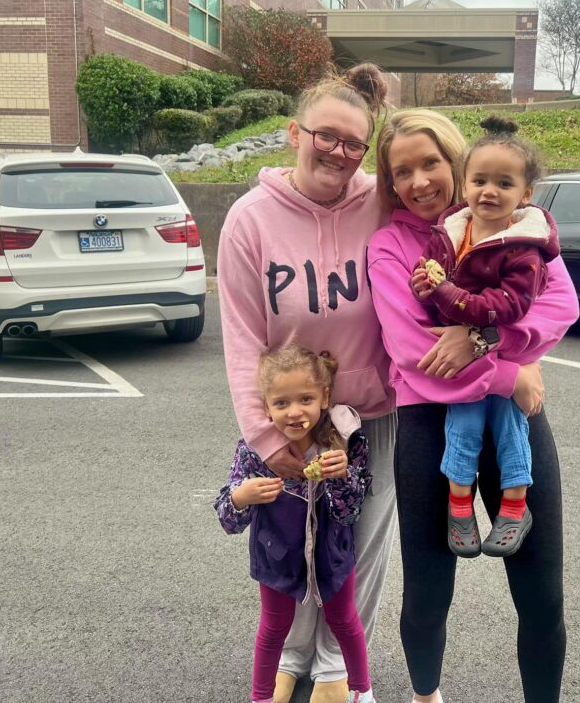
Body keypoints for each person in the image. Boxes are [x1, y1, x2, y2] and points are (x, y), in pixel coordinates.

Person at [367, 109, 580, 703]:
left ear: (456, 162)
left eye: (430, 162)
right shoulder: (391, 246)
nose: (419, 182)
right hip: (432, 422)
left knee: (542, 591)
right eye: (401, 171)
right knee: (430, 588)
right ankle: (426, 695)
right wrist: (511, 371)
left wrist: (483, 341)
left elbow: (559, 307)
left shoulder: (522, 227)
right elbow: (414, 352)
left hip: (514, 422)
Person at [217, 63, 396, 703]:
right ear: (295, 132)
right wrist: (266, 439)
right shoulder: (249, 219)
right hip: (290, 416)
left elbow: (458, 211)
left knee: (356, 550)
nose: (340, 153)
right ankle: (293, 652)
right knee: (290, 538)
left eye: (355, 143)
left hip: (369, 417)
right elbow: (241, 339)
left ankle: (334, 670)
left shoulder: (381, 202)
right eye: (327, 136)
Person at [409, 115, 560, 559]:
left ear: (525, 194)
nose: (488, 191)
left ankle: (515, 506)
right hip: (470, 367)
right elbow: (429, 277)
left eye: (503, 182)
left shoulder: (525, 248)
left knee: (512, 427)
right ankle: (460, 505)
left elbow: (510, 306)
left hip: (500, 358)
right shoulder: (453, 230)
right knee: (463, 426)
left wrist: (448, 296)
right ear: (464, 183)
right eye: (479, 180)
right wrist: (424, 283)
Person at [214, 345, 378, 703]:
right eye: (282, 403)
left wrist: (342, 476)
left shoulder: (344, 439)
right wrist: (244, 495)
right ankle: (261, 697)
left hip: (333, 552)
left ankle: (361, 691)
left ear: (324, 397)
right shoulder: (254, 451)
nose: (294, 412)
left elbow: (352, 510)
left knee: (345, 621)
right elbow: (226, 514)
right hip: (277, 552)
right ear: (265, 407)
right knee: (273, 627)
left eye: (305, 398)